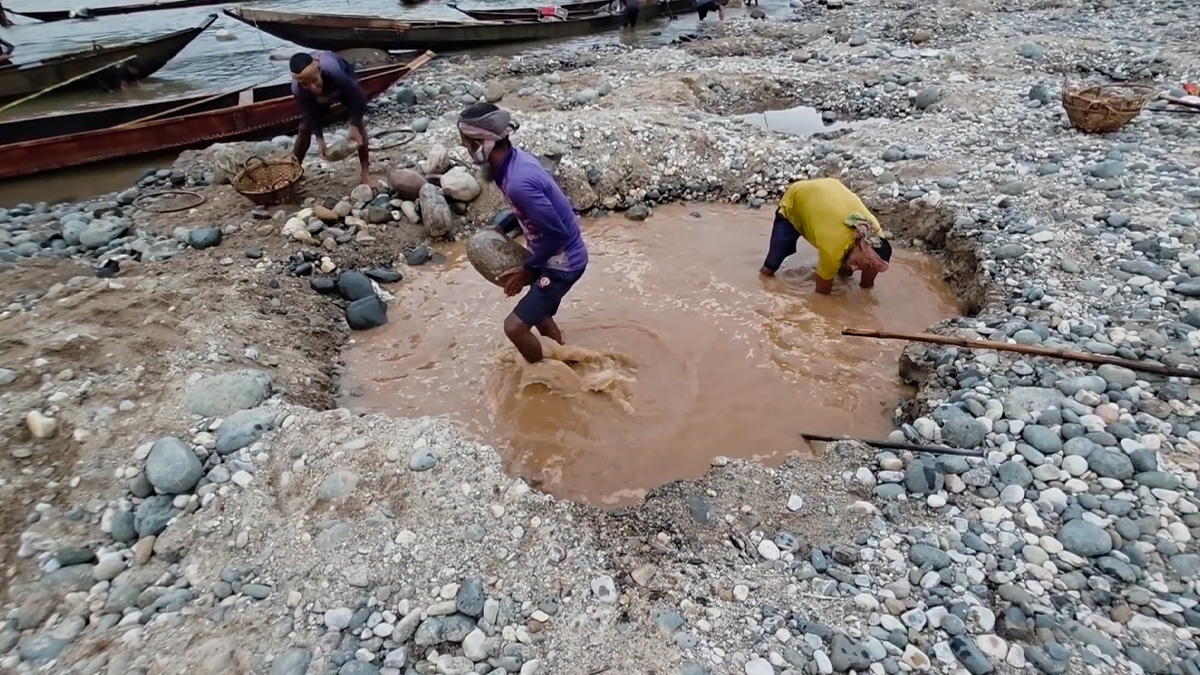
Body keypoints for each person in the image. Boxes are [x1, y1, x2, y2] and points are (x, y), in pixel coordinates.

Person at [458, 103, 589, 365]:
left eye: (467, 144)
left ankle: (547, 375)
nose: (466, 150)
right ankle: (564, 359)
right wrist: (501, 228)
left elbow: (556, 235)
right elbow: (526, 212)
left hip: (563, 263)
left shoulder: (519, 181)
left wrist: (527, 270)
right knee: (539, 314)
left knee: (515, 328)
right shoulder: (511, 163)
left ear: (483, 143)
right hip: (552, 255)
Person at [760, 177, 892, 295]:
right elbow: (822, 295)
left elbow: (870, 276)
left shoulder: (876, 238)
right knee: (770, 267)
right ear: (859, 244)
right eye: (857, 264)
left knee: (846, 269)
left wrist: (867, 295)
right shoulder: (833, 248)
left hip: (831, 187)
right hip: (796, 202)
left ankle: (846, 262)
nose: (854, 269)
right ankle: (762, 289)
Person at [289, 51, 372, 186]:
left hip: (341, 81)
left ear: (319, 71)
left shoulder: (332, 70)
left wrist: (354, 125)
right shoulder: (297, 89)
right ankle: (294, 170)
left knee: (358, 124)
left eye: (314, 80)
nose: (313, 87)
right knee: (304, 127)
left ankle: (365, 173)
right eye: (306, 84)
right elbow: (311, 114)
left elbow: (359, 98)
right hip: (322, 92)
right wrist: (320, 139)